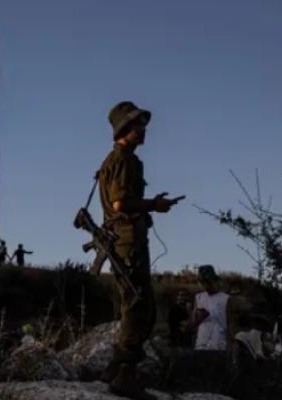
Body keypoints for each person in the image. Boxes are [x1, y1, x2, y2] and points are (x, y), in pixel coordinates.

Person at [97, 101, 179, 400]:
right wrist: (154, 205)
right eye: (137, 125)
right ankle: (125, 375)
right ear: (124, 129)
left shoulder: (116, 159)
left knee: (133, 301)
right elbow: (120, 204)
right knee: (139, 304)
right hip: (128, 239)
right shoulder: (124, 160)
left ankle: (115, 367)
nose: (143, 130)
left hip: (122, 238)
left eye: (143, 124)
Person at [190, 265, 230, 351]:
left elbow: (230, 325)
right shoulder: (199, 297)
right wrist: (200, 318)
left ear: (214, 281)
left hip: (219, 345)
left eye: (207, 282)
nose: (205, 285)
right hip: (201, 345)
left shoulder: (226, 298)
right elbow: (193, 325)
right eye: (202, 282)